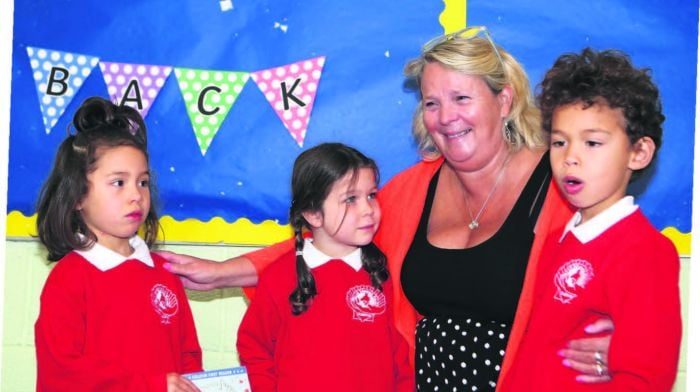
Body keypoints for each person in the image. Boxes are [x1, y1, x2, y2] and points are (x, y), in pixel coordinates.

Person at [160, 26, 614, 390]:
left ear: (503, 100)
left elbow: (622, 268)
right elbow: (325, 241)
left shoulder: (559, 185)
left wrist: (622, 342)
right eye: (432, 103)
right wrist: (223, 271)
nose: (446, 117)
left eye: (461, 98)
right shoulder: (412, 190)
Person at [500, 48, 682, 391]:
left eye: (593, 143)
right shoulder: (557, 238)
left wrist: (622, 355)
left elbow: (647, 379)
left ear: (638, 153)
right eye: (559, 142)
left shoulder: (646, 251)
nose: (570, 158)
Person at [34, 97, 203, 391]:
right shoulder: (69, 279)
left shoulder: (165, 271)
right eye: (118, 183)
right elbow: (62, 373)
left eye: (143, 182)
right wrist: (151, 386)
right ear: (77, 197)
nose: (136, 195)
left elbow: (189, 357)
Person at [236, 143, 413, 391]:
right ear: (312, 213)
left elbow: (401, 357)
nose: (367, 210)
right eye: (350, 199)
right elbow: (253, 346)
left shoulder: (383, 273)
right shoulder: (278, 277)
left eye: (371, 195)